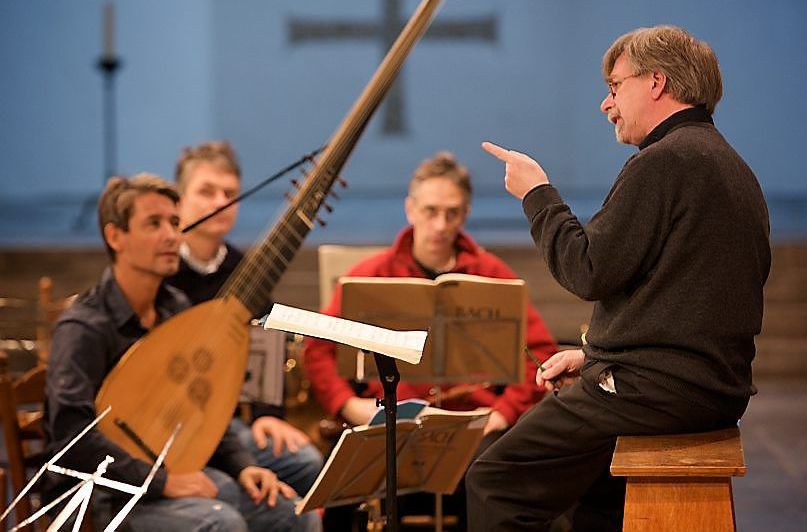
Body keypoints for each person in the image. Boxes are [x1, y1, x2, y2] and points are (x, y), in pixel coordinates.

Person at [468, 25, 771, 531]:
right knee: (589, 500)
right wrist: (595, 356)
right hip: (706, 388)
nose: (606, 105)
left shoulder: (664, 162)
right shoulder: (730, 165)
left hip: (654, 393)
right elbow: (687, 301)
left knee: (495, 481)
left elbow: (586, 271)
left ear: (655, 82)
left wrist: (537, 193)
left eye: (614, 87)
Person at [43, 174, 319, 531]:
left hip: (165, 472)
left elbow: (198, 408)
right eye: (154, 224)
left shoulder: (175, 308)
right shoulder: (84, 328)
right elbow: (72, 440)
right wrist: (163, 483)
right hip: (99, 496)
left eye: (175, 222)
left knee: (291, 513)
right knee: (222, 523)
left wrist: (243, 465)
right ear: (115, 237)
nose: (172, 235)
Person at [302, 151, 558, 528]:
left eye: (452, 213)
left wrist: (503, 414)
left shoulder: (492, 275)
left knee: (499, 478)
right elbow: (317, 347)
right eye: (430, 211)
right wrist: (346, 404)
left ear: (466, 213)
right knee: (343, 489)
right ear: (411, 209)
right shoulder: (371, 274)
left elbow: (538, 354)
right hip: (392, 424)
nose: (440, 224)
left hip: (470, 429)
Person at [165, 140, 324, 498]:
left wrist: (268, 414)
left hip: (226, 423)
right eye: (206, 191)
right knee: (230, 495)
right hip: (171, 424)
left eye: (230, 193)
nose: (220, 202)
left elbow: (265, 331)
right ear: (179, 198)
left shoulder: (243, 269)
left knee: (306, 464)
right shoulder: (162, 265)